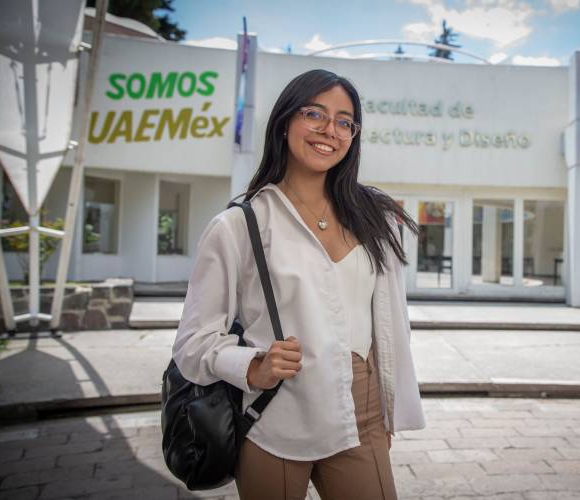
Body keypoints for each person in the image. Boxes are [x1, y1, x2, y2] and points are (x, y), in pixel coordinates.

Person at [171, 69, 425, 500]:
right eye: (315, 114)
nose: (330, 130)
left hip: (359, 413)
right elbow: (192, 343)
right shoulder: (238, 225)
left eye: (345, 121)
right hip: (275, 416)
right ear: (285, 121)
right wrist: (251, 365)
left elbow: (388, 323)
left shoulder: (377, 218)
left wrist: (384, 406)